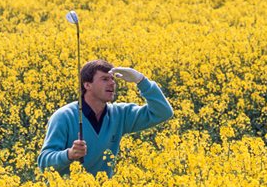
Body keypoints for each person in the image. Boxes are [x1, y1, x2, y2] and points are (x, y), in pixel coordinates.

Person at [38, 59, 173, 177]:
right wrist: (69, 154)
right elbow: (44, 163)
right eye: (105, 79)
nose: (112, 84)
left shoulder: (120, 114)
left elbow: (163, 112)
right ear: (87, 85)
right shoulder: (63, 117)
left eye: (112, 79)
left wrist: (141, 81)